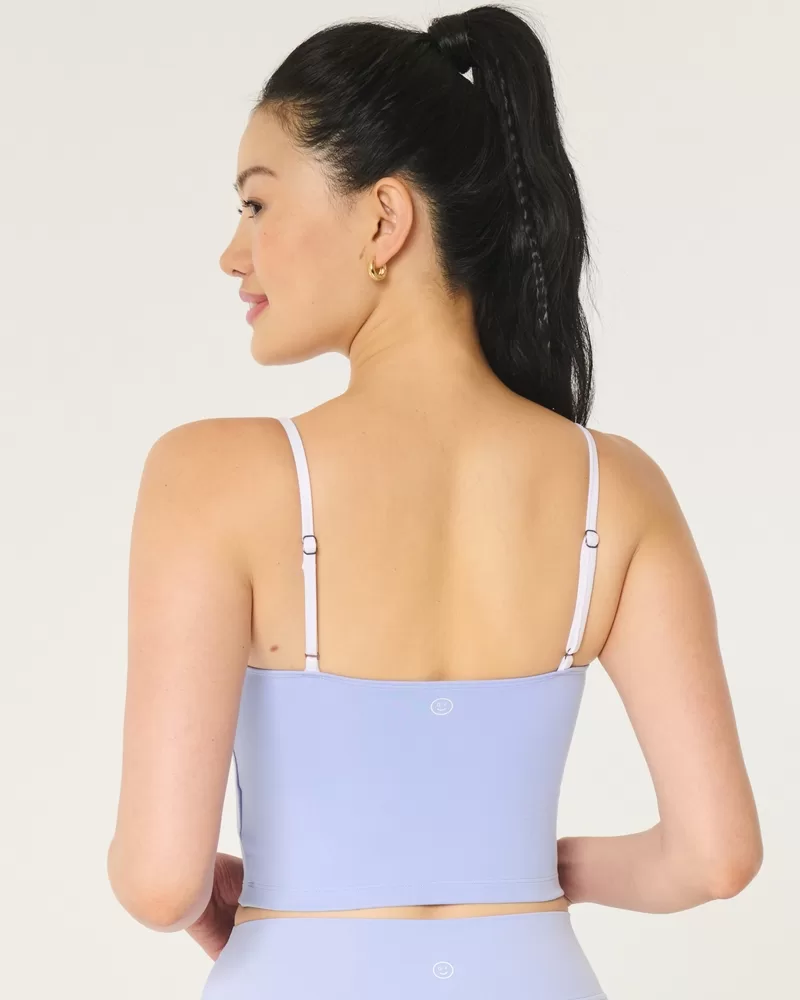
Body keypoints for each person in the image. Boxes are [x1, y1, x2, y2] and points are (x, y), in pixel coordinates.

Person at [106, 5, 763, 997]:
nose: (234, 254)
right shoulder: (616, 487)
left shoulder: (212, 475)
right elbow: (715, 857)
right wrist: (534, 874)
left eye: (256, 204)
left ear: (383, 218)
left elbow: (160, 882)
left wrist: (210, 895)